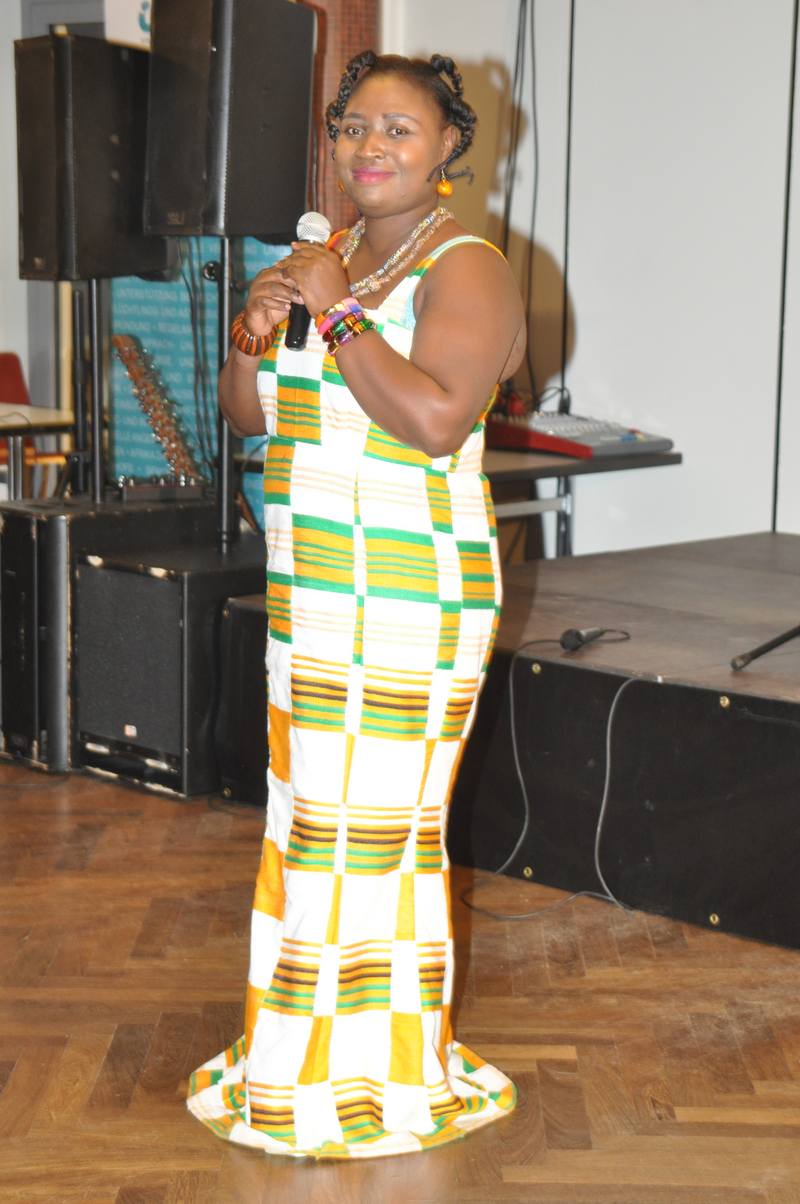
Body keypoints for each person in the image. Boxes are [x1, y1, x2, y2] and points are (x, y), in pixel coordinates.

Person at [187, 50, 526, 1159]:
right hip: (315, 595)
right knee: (311, 828)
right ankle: (299, 1056)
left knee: (370, 837)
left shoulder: (468, 269)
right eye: (352, 128)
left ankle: (374, 1075)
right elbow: (251, 416)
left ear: (447, 149)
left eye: (398, 129)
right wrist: (256, 325)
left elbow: (431, 421)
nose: (369, 147)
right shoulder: (329, 256)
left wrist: (334, 314)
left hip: (407, 596)